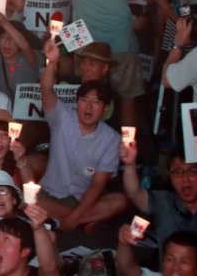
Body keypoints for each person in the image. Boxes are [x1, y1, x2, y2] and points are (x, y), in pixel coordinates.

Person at [36, 39, 129, 230]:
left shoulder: (112, 139)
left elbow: (98, 184)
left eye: (96, 102)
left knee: (120, 201)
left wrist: (77, 213)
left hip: (82, 200)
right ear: (77, 102)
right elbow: (45, 90)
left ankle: (63, 219)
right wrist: (53, 62)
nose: (88, 107)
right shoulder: (63, 117)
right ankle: (81, 220)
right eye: (84, 100)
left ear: (105, 108)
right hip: (49, 194)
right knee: (24, 199)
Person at [121, 144, 197, 249]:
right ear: (170, 176)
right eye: (178, 172)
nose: (185, 179)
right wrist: (129, 164)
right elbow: (134, 193)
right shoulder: (164, 201)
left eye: (192, 171)